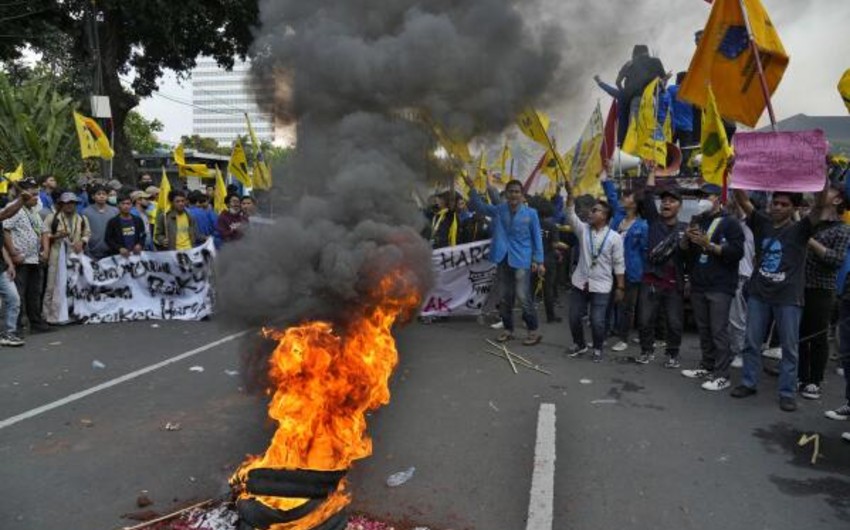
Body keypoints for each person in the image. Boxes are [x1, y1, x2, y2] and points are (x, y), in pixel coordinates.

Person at [731, 185, 827, 412]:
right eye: (775, 203)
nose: (777, 207)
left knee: (789, 348)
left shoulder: (801, 229)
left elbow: (820, 207)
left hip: (788, 298)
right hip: (759, 294)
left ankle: (786, 393)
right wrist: (735, 176)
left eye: (784, 204)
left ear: (794, 208)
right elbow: (743, 201)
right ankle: (748, 383)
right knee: (751, 342)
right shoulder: (762, 222)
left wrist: (821, 177)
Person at [465, 175, 545, 346]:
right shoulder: (500, 209)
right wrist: (471, 187)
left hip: (522, 260)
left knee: (523, 297)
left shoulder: (531, 214)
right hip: (502, 258)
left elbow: (537, 237)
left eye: (517, 192)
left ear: (522, 195)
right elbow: (480, 207)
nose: (514, 195)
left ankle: (533, 331)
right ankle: (508, 330)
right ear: (506, 194)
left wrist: (539, 260)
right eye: (511, 192)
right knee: (504, 297)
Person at [680, 184, 745, 391]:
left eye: (706, 196)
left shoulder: (730, 222)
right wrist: (686, 238)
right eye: (699, 196)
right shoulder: (697, 221)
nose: (701, 200)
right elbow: (686, 252)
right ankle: (707, 366)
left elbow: (737, 252)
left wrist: (710, 246)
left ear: (718, 198)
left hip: (720, 284)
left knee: (718, 330)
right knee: (704, 329)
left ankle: (722, 375)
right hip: (699, 282)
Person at [797, 180, 850, 400]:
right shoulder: (812, 222)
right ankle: (800, 375)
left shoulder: (842, 229)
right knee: (799, 334)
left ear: (838, 199)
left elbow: (835, 260)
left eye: (829, 190)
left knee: (817, 336)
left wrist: (811, 242)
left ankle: (814, 380)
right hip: (799, 286)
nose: (823, 192)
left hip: (821, 288)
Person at [564, 176, 626, 362]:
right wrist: (570, 195)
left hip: (602, 286)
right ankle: (580, 344)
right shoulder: (583, 230)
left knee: (598, 321)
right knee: (574, 317)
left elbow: (619, 263)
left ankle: (598, 348)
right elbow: (570, 214)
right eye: (591, 210)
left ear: (605, 216)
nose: (590, 213)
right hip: (580, 282)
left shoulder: (615, 237)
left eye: (595, 211)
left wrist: (620, 287)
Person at [638, 168, 687, 367]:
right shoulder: (653, 221)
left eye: (672, 201)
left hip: (674, 282)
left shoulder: (686, 229)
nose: (666, 203)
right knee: (644, 320)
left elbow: (690, 257)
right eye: (664, 200)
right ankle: (646, 351)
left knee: (674, 323)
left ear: (679, 207)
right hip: (651, 279)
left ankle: (672, 354)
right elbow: (648, 196)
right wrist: (651, 173)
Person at [601, 171, 648, 353]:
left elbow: (644, 251)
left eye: (628, 196)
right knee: (607, 302)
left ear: (635, 204)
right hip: (610, 268)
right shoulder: (619, 217)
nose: (623, 197)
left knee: (626, 307)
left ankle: (623, 338)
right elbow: (612, 197)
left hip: (631, 271)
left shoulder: (642, 225)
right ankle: (603, 334)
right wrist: (607, 177)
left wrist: (641, 272)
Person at [4, 178, 51, 334]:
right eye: (32, 194)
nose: (36, 198)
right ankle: (15, 326)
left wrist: (45, 249)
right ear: (22, 194)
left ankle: (36, 322)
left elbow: (43, 230)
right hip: (21, 259)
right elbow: (5, 230)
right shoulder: (14, 208)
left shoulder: (34, 210)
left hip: (34, 258)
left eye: (37, 194)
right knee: (18, 294)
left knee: (34, 292)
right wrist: (12, 252)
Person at [42, 192, 90, 324]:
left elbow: (87, 233)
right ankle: (48, 316)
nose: (69, 206)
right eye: (66, 203)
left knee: (76, 285)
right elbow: (45, 234)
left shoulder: (81, 218)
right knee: (52, 285)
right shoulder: (52, 217)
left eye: (72, 203)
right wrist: (57, 236)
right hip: (57, 255)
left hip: (75, 255)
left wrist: (82, 242)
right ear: (61, 204)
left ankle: (75, 313)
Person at [0, 186, 32, 345]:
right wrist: (21, 200)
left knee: (13, 299)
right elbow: (6, 213)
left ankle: (8, 333)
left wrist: (9, 264)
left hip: (1, 268)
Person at [668, 72, 697, 175]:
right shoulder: (691, 92)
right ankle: (685, 173)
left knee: (669, 150)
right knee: (686, 151)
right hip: (687, 127)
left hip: (673, 126)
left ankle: (667, 170)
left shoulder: (671, 90)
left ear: (677, 80)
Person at [82, 184, 118, 260]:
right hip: (92, 252)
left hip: (111, 251)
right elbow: (84, 232)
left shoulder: (115, 211)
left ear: (107, 196)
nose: (101, 196)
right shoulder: (86, 212)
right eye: (98, 194)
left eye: (104, 194)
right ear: (93, 196)